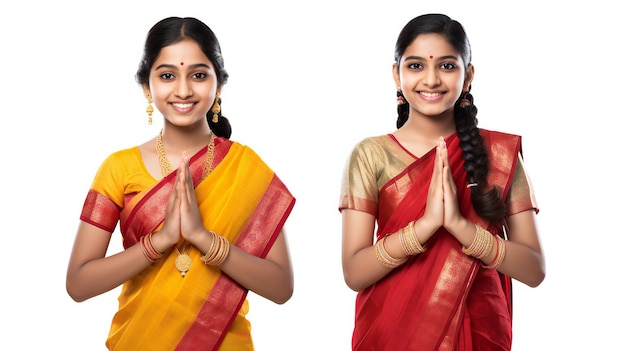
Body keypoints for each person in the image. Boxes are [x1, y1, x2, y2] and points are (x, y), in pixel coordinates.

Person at [66, 17, 296, 350]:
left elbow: (280, 287)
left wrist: (204, 240)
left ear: (218, 86)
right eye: (167, 75)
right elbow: (78, 283)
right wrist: (159, 242)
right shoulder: (117, 168)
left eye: (199, 75)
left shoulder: (245, 167)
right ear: (147, 86)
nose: (184, 89)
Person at [339, 13, 545, 350]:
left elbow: (534, 270)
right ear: (397, 74)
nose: (431, 79)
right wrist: (425, 227)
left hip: (480, 331)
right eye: (416, 66)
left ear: (468, 76)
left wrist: (461, 228)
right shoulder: (371, 154)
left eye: (447, 66)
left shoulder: (500, 155)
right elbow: (354, 272)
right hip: (394, 332)